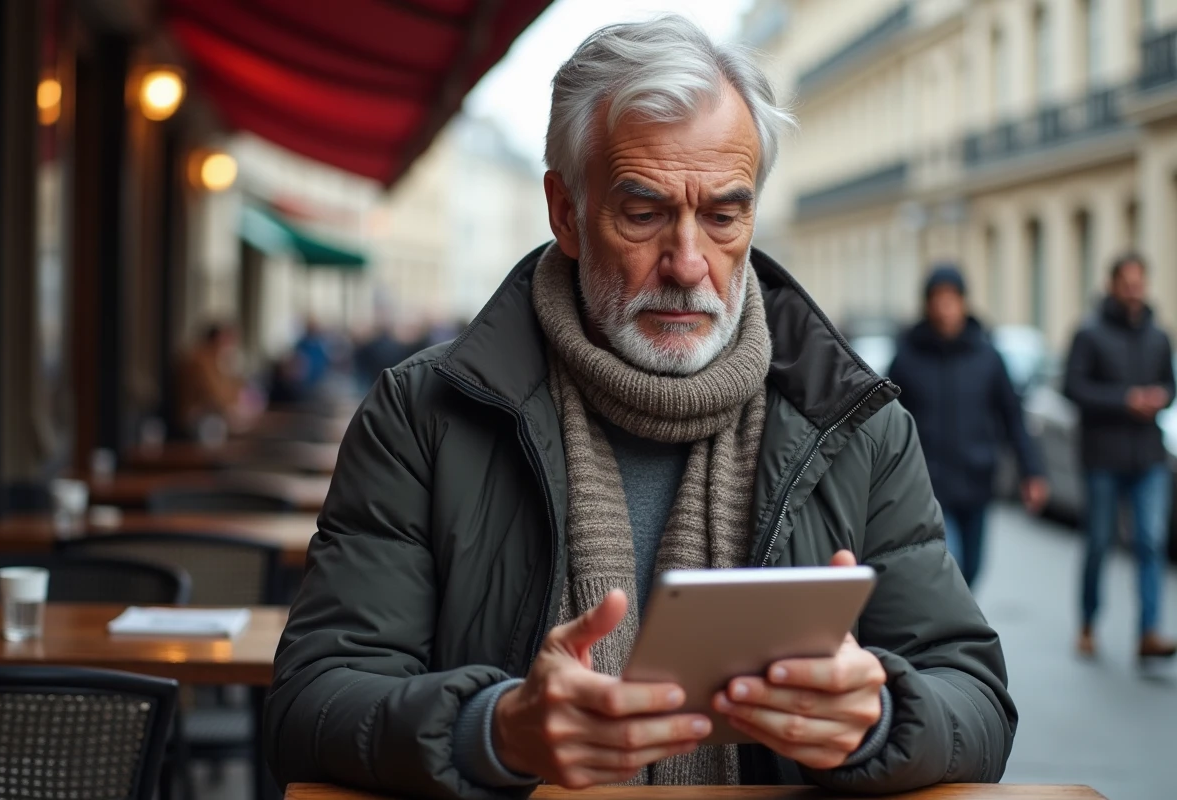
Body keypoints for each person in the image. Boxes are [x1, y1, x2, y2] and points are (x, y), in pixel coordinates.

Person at [265, 17, 1015, 798]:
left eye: (724, 216)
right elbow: (308, 705)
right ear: (566, 214)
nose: (689, 264)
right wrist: (493, 729)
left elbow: (979, 703)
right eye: (644, 212)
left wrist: (884, 718)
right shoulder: (421, 416)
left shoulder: (858, 423)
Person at [888, 266, 1048, 587]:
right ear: (928, 304)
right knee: (951, 565)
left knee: (973, 568)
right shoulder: (908, 357)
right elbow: (886, 420)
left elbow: (1012, 416)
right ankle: (949, 632)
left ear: (963, 303)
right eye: (938, 299)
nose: (946, 308)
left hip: (976, 479)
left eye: (952, 299)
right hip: (927, 483)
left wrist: (1032, 472)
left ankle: (952, 624)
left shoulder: (987, 356)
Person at [1063, 254, 1177, 661]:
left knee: (1151, 541)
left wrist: (1160, 397)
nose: (1133, 288)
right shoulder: (1090, 333)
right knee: (1099, 543)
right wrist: (1124, 400)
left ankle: (1148, 631)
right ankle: (1088, 622)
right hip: (1103, 458)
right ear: (1112, 284)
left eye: (1139, 281)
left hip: (1148, 457)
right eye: (1126, 281)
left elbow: (1169, 384)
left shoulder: (1158, 335)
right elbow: (1072, 387)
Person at [174, 322, 244, 439]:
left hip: (209, 418)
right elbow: (216, 397)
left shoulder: (215, 362)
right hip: (195, 422)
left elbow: (234, 394)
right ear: (216, 340)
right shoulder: (200, 361)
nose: (230, 347)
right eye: (227, 341)